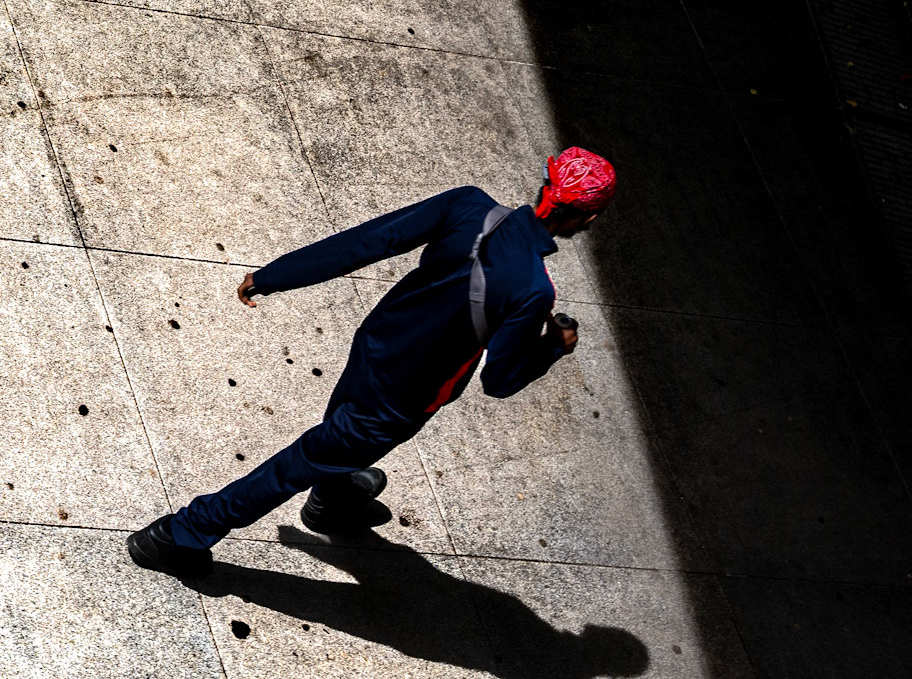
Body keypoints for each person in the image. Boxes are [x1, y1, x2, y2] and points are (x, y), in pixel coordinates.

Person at [128, 148, 616, 578]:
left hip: (375, 346)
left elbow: (370, 241)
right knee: (301, 462)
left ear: (545, 183)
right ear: (588, 218)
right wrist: (553, 346)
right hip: (405, 397)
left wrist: (276, 274)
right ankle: (181, 534)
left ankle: (332, 499)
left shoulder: (469, 205)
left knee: (335, 442)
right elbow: (501, 379)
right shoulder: (533, 288)